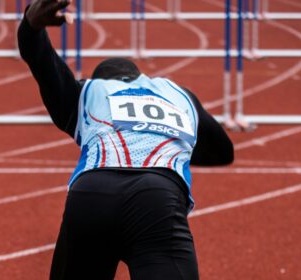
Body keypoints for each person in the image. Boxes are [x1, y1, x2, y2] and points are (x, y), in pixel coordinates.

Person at [18, 1, 234, 279]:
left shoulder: (85, 91)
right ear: (138, 77)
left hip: (92, 192)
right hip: (157, 198)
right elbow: (223, 151)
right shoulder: (178, 94)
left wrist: (31, 28)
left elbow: (44, 65)